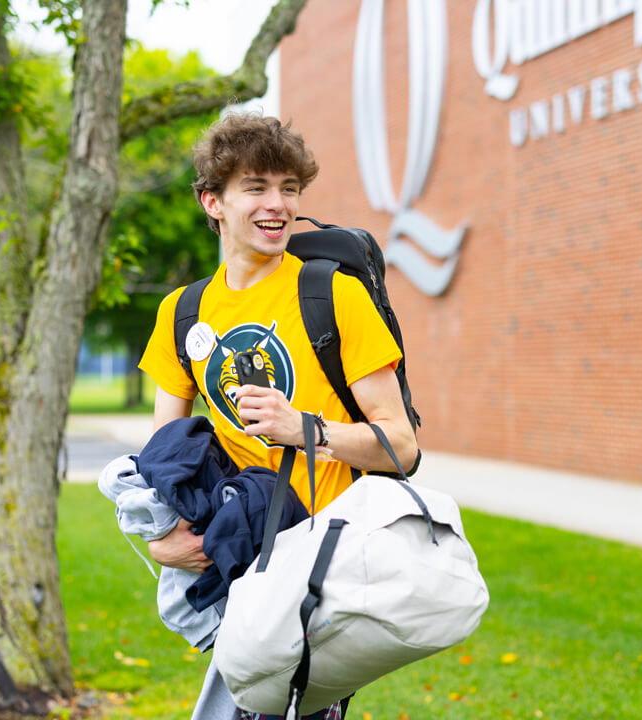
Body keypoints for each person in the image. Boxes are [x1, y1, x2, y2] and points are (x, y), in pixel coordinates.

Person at [137, 112, 419, 720]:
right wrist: (162, 536)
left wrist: (304, 430)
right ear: (212, 201)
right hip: (237, 550)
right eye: (257, 187)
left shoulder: (333, 296)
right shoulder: (183, 312)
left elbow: (402, 446)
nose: (278, 204)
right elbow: (165, 449)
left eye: (290, 189)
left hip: (321, 560)